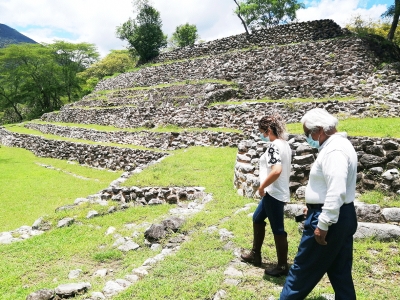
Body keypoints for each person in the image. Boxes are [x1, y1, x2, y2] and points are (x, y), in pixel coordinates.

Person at [280, 108, 358, 299]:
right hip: (340, 214)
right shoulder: (339, 145)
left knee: (301, 270)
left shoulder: (334, 150)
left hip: (329, 218)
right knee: (340, 272)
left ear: (320, 129)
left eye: (308, 133)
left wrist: (323, 223)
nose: (308, 137)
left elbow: (336, 189)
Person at [241, 114, 292, 277]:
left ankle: (282, 266)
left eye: (262, 132)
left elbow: (276, 170)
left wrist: (262, 187)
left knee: (278, 228)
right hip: (275, 191)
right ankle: (255, 255)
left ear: (269, 130)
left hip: (273, 193)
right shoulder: (285, 145)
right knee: (257, 218)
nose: (262, 135)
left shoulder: (274, 146)